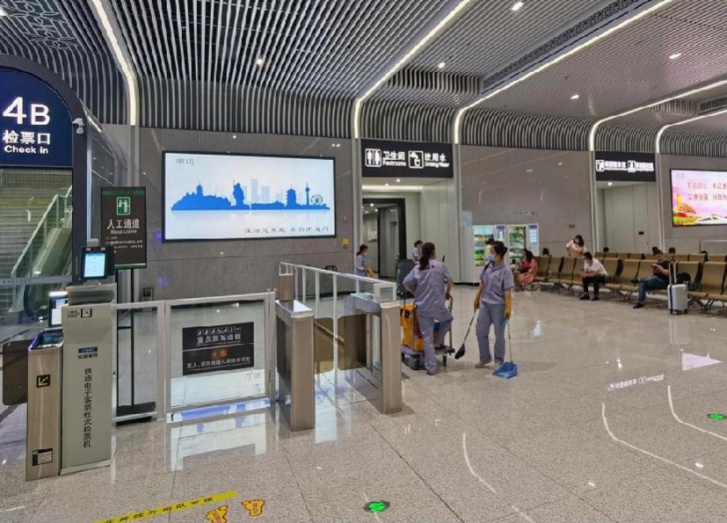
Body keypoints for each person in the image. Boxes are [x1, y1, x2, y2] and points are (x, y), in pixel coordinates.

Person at [403, 242, 453, 375]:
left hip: (422, 307)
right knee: (448, 319)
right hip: (437, 306)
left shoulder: (418, 267)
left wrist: (415, 293)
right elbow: (450, 280)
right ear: (433, 252)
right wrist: (447, 292)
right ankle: (439, 341)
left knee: (427, 338)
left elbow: (405, 283)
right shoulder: (440, 265)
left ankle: (431, 368)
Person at [475, 241, 514, 368]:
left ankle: (499, 360)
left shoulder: (505, 270)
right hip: (485, 304)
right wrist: (477, 297)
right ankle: (485, 357)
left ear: (499, 254)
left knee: (499, 334)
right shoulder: (488, 266)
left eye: (492, 251)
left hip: (498, 306)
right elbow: (482, 282)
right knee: (480, 331)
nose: (489, 253)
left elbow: (507, 290)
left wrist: (508, 306)